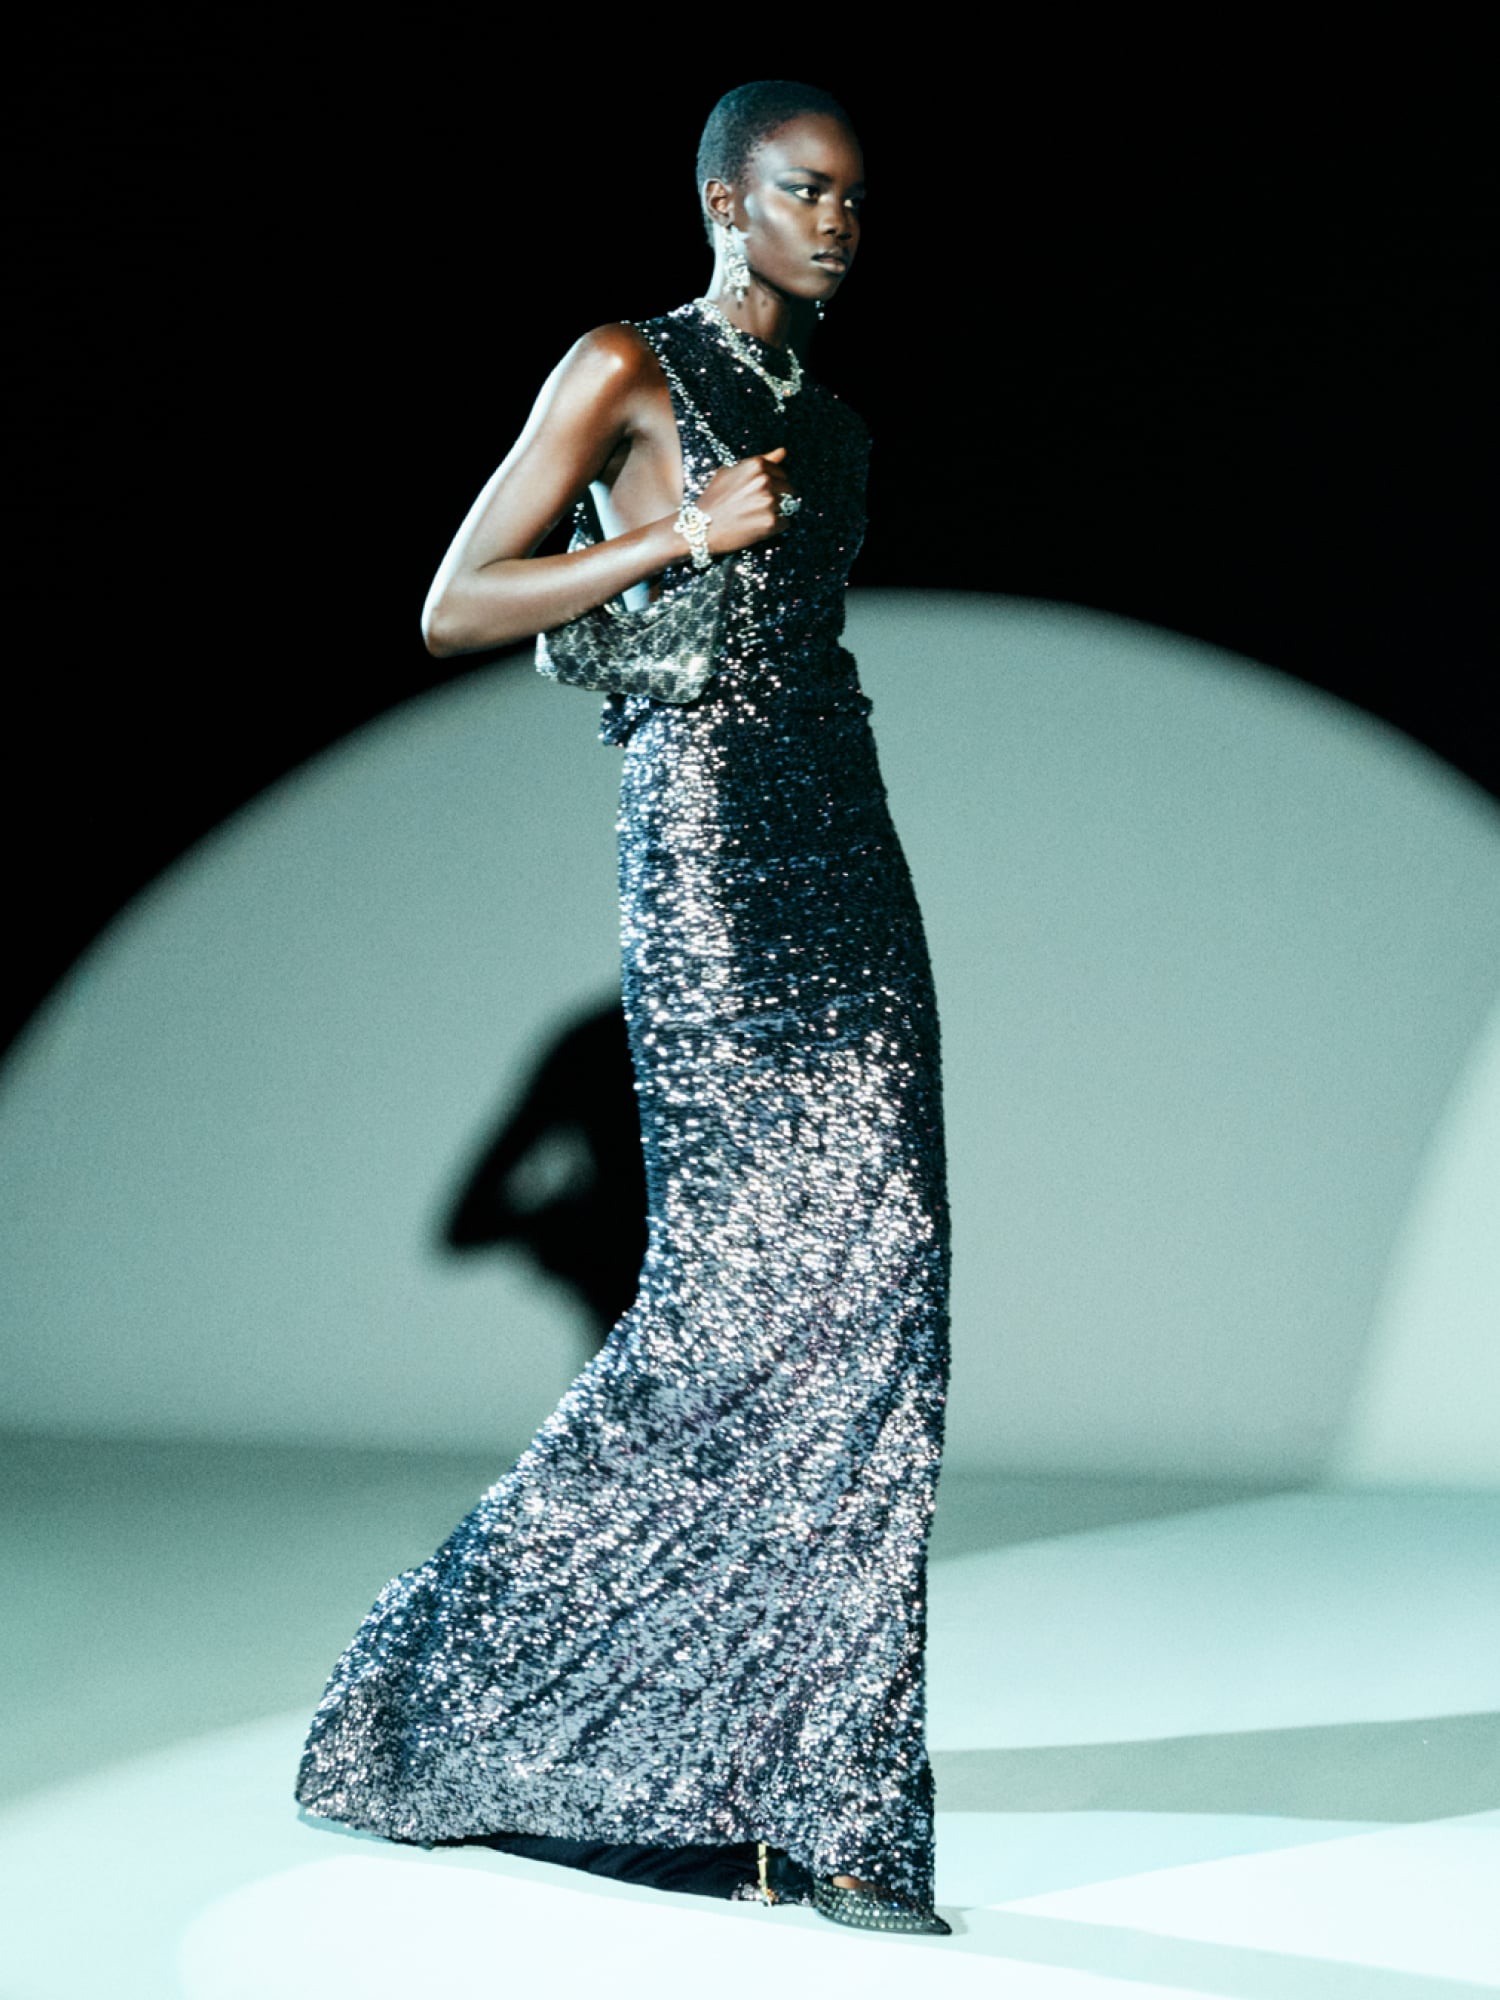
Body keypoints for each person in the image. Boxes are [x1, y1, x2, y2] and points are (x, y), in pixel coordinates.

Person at [294, 79, 953, 1938]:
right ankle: (445, 1701)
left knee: (885, 1300)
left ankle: (823, 1777)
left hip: (848, 839)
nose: (836, 222)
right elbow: (453, 604)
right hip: (710, 849)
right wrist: (679, 539)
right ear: (724, 199)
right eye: (803, 192)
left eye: (854, 201)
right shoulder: (625, 366)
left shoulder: (837, 427)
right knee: (730, 1308)